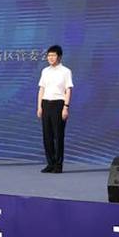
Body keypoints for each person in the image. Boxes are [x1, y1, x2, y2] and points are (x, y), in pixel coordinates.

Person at [37, 45, 73, 173]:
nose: (50, 58)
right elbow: (41, 89)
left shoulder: (65, 71)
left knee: (58, 135)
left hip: (59, 104)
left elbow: (68, 90)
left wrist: (66, 107)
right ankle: (50, 163)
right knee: (47, 136)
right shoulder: (45, 71)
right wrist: (39, 107)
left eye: (53, 55)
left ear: (59, 57)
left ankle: (58, 165)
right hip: (46, 103)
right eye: (49, 55)